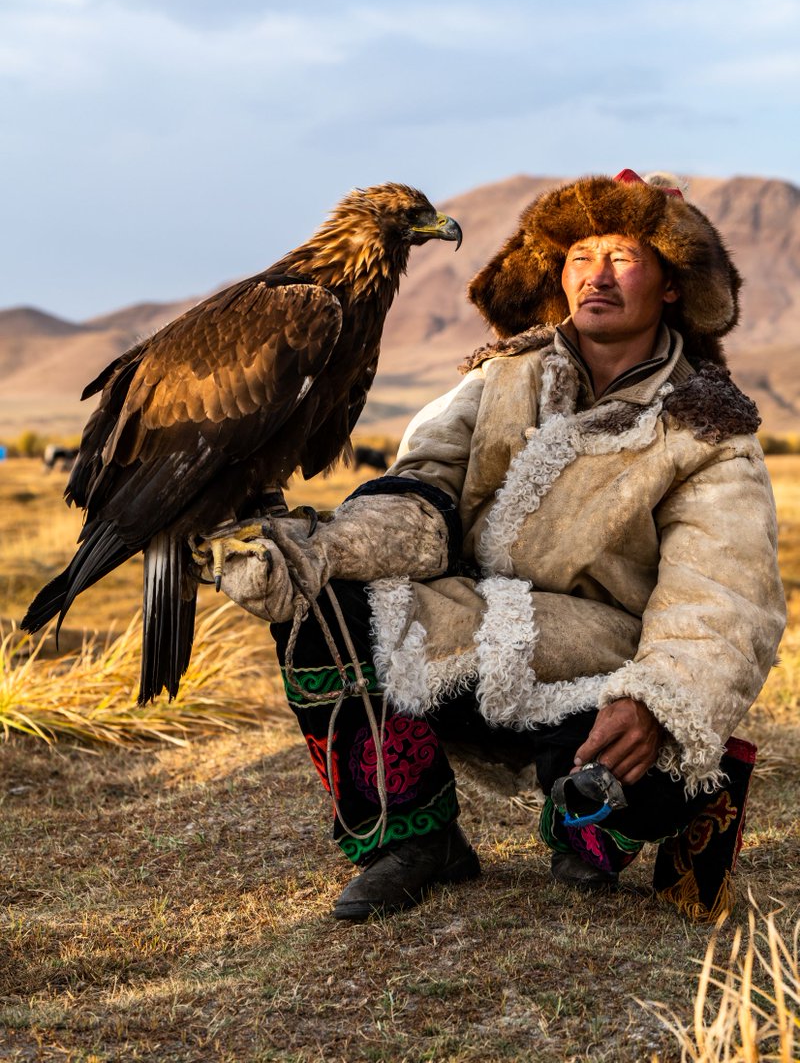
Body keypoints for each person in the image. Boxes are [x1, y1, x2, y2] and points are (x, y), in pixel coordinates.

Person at [210, 169, 786, 923]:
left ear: (671, 283)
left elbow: (721, 599)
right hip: (463, 626)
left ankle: (586, 827)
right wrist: (322, 551)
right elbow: (421, 490)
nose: (596, 275)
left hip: (604, 661)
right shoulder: (498, 380)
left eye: (622, 255)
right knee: (324, 603)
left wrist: (656, 701)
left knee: (668, 766)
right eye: (580, 256)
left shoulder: (708, 430)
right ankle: (411, 841)